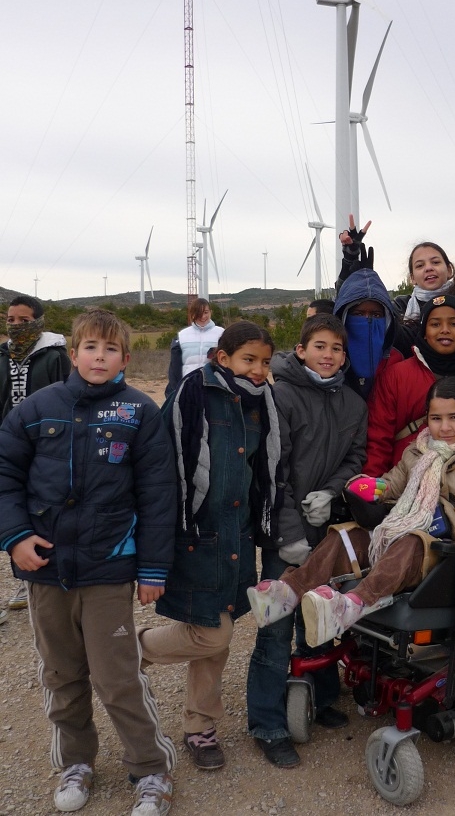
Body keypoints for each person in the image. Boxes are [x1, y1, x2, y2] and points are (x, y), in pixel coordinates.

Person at [0, 310, 177, 816]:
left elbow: (159, 493)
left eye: (111, 349)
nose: (100, 357)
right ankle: (75, 762)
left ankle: (150, 768)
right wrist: (13, 537)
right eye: (91, 347)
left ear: (125, 357)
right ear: (72, 353)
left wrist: (153, 568)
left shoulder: (140, 411)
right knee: (61, 673)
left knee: (117, 676)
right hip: (45, 567)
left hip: (108, 567)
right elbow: (5, 473)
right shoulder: (36, 408)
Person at [249, 377, 455, 651]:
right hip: (413, 530)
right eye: (436, 418)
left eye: (454, 417)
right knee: (349, 535)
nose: (444, 428)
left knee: (410, 541)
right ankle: (289, 591)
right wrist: (366, 487)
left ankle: (354, 604)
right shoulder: (418, 451)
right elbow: (392, 485)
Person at [138, 321, 281, 772]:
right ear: (223, 358)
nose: (258, 370)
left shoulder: (261, 404)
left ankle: (199, 728)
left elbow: (259, 470)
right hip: (196, 537)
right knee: (211, 632)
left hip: (236, 538)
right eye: (248, 360)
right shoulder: (192, 394)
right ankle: (124, 650)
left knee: (216, 643)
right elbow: (164, 464)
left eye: (265, 362)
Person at [247, 314, 368, 769]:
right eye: (320, 346)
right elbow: (272, 470)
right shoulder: (279, 396)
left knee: (322, 619)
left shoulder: (354, 404)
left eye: (336, 348)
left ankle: (322, 696)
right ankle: (267, 722)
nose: (328, 355)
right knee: (275, 627)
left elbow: (354, 456)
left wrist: (333, 491)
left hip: (327, 530)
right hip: (285, 534)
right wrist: (288, 532)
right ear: (301, 350)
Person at [1, 294, 71, 613]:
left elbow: (68, 396)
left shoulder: (55, 356)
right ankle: (21, 569)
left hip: (47, 441)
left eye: (23, 320)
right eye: (10, 320)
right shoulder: (2, 356)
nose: (15, 325)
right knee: (12, 501)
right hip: (10, 441)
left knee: (43, 503)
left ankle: (39, 574)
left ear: (39, 321)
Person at [365, 294, 455, 475]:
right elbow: (378, 440)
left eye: (454, 324)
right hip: (401, 485)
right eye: (435, 324)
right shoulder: (396, 376)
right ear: (424, 332)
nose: (445, 330)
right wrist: (373, 487)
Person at [332, 267, 403, 400]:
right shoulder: (328, 361)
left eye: (376, 314)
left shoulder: (396, 361)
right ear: (344, 317)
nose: (367, 320)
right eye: (358, 314)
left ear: (387, 319)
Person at [392, 242, 454, 355]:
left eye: (435, 262)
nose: (429, 268)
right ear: (412, 278)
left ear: (449, 270)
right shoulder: (401, 305)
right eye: (420, 265)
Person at [165, 299, 224, 397]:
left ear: (211, 312)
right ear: (192, 314)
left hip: (214, 388)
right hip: (189, 388)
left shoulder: (221, 333)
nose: (203, 316)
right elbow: (175, 368)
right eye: (198, 313)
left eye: (206, 312)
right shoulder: (182, 335)